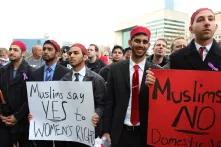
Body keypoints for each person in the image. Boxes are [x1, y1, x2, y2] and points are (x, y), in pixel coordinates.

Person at [102, 26, 159, 147]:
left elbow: (162, 104)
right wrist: (106, 131)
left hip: (145, 134)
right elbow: (109, 102)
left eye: (145, 42)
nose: (141, 45)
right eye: (137, 41)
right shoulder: (115, 69)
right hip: (120, 132)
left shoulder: (157, 71)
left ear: (148, 45)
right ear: (130, 42)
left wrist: (155, 88)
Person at [146, 8, 221, 84]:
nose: (207, 23)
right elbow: (166, 86)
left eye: (211, 19)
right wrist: (154, 82)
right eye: (200, 20)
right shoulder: (175, 57)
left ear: (216, 27)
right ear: (191, 29)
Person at [61, 43, 105, 147]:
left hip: (89, 132)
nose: (71, 56)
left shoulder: (97, 79)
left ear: (85, 57)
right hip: (69, 133)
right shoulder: (63, 80)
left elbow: (102, 104)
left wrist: (97, 114)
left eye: (76, 53)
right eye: (70, 53)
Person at [30, 40, 71, 147]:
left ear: (57, 53)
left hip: (61, 122)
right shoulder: (35, 74)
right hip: (40, 124)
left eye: (49, 49)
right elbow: (32, 98)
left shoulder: (67, 73)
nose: (45, 51)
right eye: (44, 49)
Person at [0, 41, 33, 147]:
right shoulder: (2, 70)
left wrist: (17, 116)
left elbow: (31, 98)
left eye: (15, 50)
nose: (11, 52)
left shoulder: (31, 72)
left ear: (23, 53)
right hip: (4, 119)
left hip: (22, 120)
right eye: (10, 49)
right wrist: (2, 114)